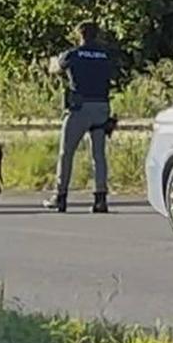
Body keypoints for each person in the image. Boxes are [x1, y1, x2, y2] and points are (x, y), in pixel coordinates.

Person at [44, 21, 115, 213]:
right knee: (98, 156)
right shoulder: (105, 55)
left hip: (80, 108)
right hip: (102, 106)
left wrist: (53, 60)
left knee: (66, 153)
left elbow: (55, 68)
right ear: (97, 35)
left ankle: (60, 196)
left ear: (80, 35)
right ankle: (100, 199)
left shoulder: (73, 54)